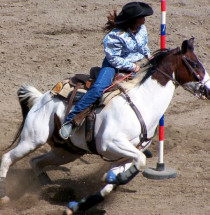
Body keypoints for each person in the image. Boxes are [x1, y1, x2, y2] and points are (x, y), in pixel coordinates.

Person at [59, 1, 153, 139]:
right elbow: (114, 59)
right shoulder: (114, 36)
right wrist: (133, 67)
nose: (145, 19)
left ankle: (138, 135)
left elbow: (143, 45)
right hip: (113, 65)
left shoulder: (142, 29)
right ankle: (70, 120)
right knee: (98, 88)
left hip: (134, 63)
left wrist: (149, 56)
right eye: (142, 17)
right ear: (133, 20)